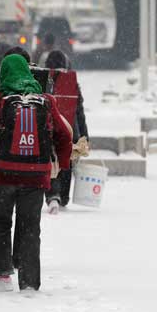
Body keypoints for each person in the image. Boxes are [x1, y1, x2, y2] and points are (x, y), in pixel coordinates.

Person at [0, 54, 72, 292]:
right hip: (36, 175)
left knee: (1, 222)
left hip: (1, 175)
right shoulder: (46, 100)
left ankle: (3, 276)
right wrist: (61, 165)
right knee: (31, 226)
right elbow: (65, 134)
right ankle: (30, 281)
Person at [43, 50, 89, 212]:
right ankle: (63, 195)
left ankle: (52, 195)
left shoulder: (44, 80)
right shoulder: (72, 83)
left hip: (50, 129)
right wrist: (84, 135)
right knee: (66, 161)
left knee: (52, 161)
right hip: (70, 129)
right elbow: (79, 112)